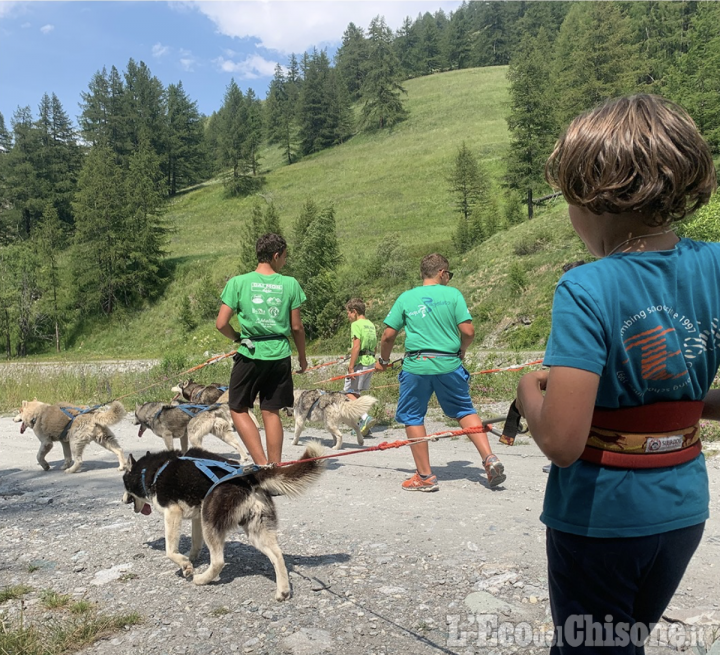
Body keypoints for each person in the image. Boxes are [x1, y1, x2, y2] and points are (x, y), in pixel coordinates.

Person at [515, 94, 719, 654]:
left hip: (600, 517)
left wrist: (528, 389)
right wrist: (685, 404)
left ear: (590, 198)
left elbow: (560, 442)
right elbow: (683, 382)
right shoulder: (717, 264)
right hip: (683, 509)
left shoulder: (586, 287)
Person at [375, 253, 506, 492]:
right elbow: (468, 332)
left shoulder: (406, 298)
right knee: (465, 410)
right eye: (449, 274)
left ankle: (425, 476)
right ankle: (489, 458)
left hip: (417, 365)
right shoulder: (453, 295)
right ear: (442, 273)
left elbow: (388, 335)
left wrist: (383, 361)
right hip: (449, 364)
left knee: (413, 416)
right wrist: (461, 351)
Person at [216, 233, 307, 465]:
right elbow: (297, 328)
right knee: (271, 410)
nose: (285, 261)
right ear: (276, 256)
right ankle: (275, 467)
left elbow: (221, 324)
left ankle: (261, 464)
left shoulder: (238, 282)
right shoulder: (290, 284)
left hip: (250, 353)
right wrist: (303, 359)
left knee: (238, 407)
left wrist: (237, 337)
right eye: (284, 257)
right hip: (280, 353)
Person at [344, 298, 378, 437]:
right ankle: (362, 427)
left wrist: (351, 367)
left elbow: (356, 346)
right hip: (370, 361)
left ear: (355, 311)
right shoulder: (371, 324)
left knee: (347, 392)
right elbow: (375, 346)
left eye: (348, 313)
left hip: (360, 362)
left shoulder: (356, 325)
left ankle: (365, 417)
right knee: (356, 393)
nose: (348, 316)